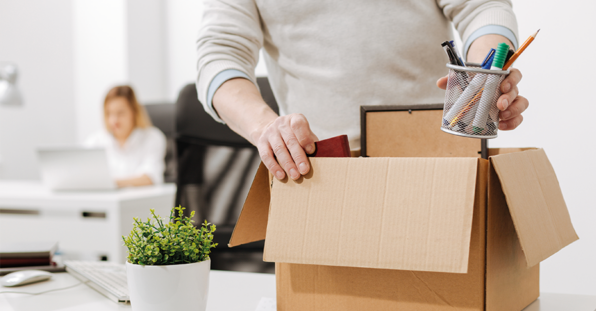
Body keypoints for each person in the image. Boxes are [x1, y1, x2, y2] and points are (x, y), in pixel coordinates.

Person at [196, 1, 528, 181]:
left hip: (437, 162)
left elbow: (482, 7)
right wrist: (264, 128)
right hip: (322, 171)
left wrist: (484, 77)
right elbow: (219, 55)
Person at [85, 85, 167, 188]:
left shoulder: (153, 138)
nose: (114, 120)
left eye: (120, 113)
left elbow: (150, 178)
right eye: (109, 113)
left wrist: (110, 184)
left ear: (134, 112)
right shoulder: (95, 141)